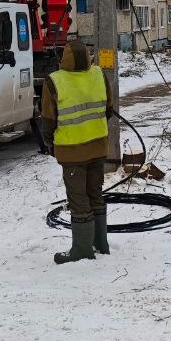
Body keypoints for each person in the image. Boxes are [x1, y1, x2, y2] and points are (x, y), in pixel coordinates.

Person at [41, 38, 114, 264]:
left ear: (64, 58)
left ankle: (82, 249)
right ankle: (100, 243)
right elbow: (108, 110)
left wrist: (49, 143)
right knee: (95, 193)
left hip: (72, 152)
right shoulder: (99, 75)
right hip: (98, 146)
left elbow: (48, 119)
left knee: (78, 199)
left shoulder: (54, 81)